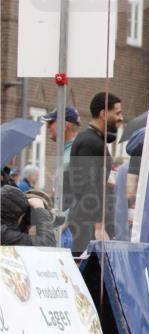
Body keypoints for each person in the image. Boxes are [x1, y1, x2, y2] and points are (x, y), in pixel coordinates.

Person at [68, 92, 123, 255]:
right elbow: (88, 185)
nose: (121, 118)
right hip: (89, 224)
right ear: (103, 114)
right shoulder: (90, 142)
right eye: (117, 113)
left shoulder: (94, 140)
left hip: (89, 220)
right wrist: (99, 226)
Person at [42, 105, 81, 248]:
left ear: (64, 125)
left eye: (51, 122)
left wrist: (64, 222)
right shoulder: (67, 152)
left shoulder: (73, 154)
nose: (48, 127)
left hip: (67, 231)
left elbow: (81, 194)